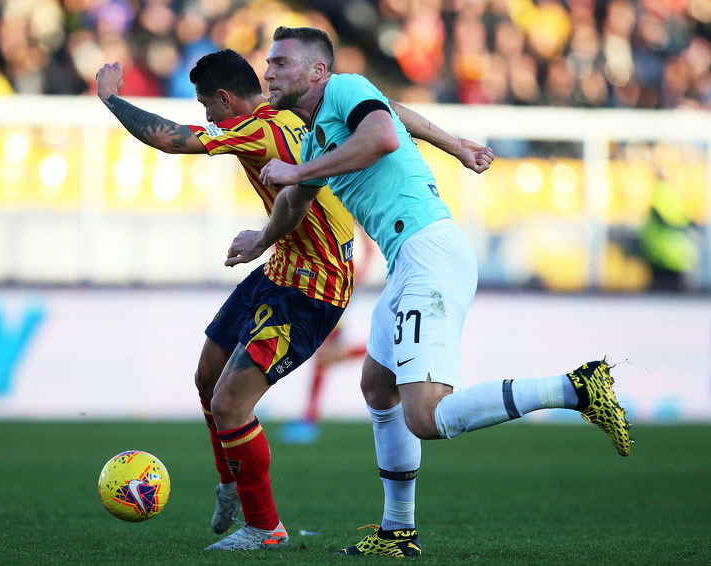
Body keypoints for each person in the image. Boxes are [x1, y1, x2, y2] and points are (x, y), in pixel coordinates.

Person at [225, 26, 633, 557]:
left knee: (427, 417)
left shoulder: (344, 89)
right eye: (268, 63)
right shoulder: (317, 134)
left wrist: (300, 171)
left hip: (428, 255)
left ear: (317, 71)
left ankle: (577, 388)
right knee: (377, 386)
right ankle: (399, 530)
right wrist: (261, 239)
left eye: (280, 62)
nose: (269, 71)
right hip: (407, 263)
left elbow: (385, 134)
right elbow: (300, 199)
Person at [95, 48, 480, 552]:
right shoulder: (310, 110)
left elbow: (174, 140)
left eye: (207, 106)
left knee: (230, 401)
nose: (207, 117)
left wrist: (110, 99)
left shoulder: (259, 126)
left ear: (226, 99)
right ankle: (232, 479)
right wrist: (454, 144)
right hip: (280, 265)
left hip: (312, 286)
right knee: (208, 375)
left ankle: (264, 529)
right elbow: (392, 111)